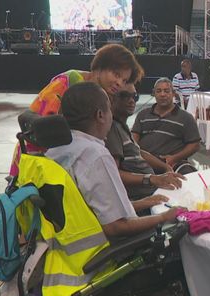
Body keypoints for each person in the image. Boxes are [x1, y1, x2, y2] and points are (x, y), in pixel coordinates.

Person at [46, 82, 181, 238]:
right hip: (99, 250)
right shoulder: (95, 155)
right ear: (100, 115)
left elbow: (89, 209)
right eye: (109, 109)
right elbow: (115, 227)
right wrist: (164, 217)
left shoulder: (56, 149)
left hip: (69, 239)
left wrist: (145, 202)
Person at [10, 44, 144, 176]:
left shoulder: (106, 96)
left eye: (124, 80)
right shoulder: (68, 81)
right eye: (116, 74)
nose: (119, 83)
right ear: (100, 67)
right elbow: (40, 124)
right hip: (35, 160)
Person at [106, 83, 186, 201]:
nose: (131, 100)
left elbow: (138, 151)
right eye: (124, 96)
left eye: (134, 96)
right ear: (110, 98)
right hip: (142, 198)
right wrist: (151, 178)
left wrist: (166, 167)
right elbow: (113, 174)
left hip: (153, 186)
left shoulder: (122, 126)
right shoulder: (112, 129)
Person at [132, 78, 201, 174]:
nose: (162, 94)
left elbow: (195, 145)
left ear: (173, 93)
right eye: (159, 91)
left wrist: (174, 158)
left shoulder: (186, 117)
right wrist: (137, 156)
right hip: (144, 162)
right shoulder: (143, 115)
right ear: (153, 93)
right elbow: (133, 141)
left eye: (166, 91)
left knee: (191, 178)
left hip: (173, 164)